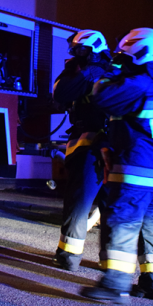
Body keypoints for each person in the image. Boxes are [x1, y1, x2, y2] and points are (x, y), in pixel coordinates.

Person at [81, 28, 153, 305]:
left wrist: (108, 70)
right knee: (151, 228)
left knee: (121, 222)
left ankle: (115, 286)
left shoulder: (138, 82)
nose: (122, 57)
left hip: (135, 170)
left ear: (140, 52)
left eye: (126, 53)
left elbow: (101, 97)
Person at [52, 30, 111, 271]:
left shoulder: (90, 72)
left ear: (94, 50)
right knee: (111, 205)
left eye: (80, 50)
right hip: (114, 146)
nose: (76, 54)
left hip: (89, 143)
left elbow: (60, 94)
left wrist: (82, 73)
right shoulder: (115, 71)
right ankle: (111, 262)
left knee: (80, 201)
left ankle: (68, 256)